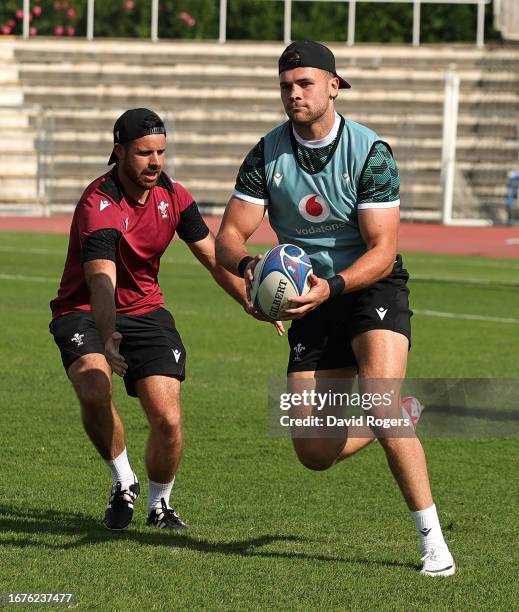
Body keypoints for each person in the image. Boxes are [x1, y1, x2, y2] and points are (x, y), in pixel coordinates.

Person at [215, 41, 455, 576]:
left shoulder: (371, 153)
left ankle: (432, 541)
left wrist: (334, 285)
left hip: (368, 286)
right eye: (285, 85)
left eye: (304, 83)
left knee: (381, 397)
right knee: (313, 450)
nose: (293, 94)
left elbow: (382, 250)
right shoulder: (266, 154)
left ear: (333, 85)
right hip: (310, 298)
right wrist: (250, 267)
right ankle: (397, 415)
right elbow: (229, 234)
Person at [49, 108, 246, 531]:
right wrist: (107, 336)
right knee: (93, 384)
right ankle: (123, 481)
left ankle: (160, 505)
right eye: (144, 153)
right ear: (119, 153)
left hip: (145, 310)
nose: (155, 162)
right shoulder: (98, 203)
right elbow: (101, 278)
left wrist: (252, 302)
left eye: (160, 152)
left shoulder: (174, 197)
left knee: (169, 419)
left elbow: (213, 258)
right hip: (83, 310)